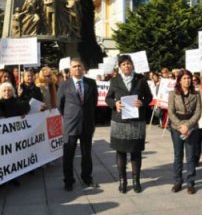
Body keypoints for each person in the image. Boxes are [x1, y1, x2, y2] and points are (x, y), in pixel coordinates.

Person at [105, 55, 153, 193]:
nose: (126, 66)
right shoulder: (115, 80)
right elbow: (108, 98)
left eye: (128, 63)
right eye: (124, 64)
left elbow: (149, 96)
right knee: (120, 152)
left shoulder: (140, 79)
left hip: (136, 121)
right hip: (120, 121)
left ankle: (136, 180)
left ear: (132, 65)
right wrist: (115, 104)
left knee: (136, 152)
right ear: (120, 67)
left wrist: (142, 102)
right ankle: (122, 180)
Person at [57, 58, 98, 191]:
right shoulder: (64, 84)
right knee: (68, 154)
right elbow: (60, 105)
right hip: (71, 124)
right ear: (70, 69)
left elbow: (94, 102)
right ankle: (68, 181)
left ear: (84, 68)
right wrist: (70, 116)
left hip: (87, 123)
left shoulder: (91, 83)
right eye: (74, 66)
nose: (77, 68)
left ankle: (87, 178)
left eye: (79, 66)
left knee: (87, 154)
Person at [168, 69, 201, 195]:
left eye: (189, 78)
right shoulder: (173, 94)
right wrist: (180, 126)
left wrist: (188, 126)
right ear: (179, 80)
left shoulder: (196, 94)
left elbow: (198, 113)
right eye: (184, 78)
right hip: (177, 127)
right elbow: (171, 112)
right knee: (178, 155)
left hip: (191, 126)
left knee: (191, 155)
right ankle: (177, 181)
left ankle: (191, 182)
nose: (187, 81)